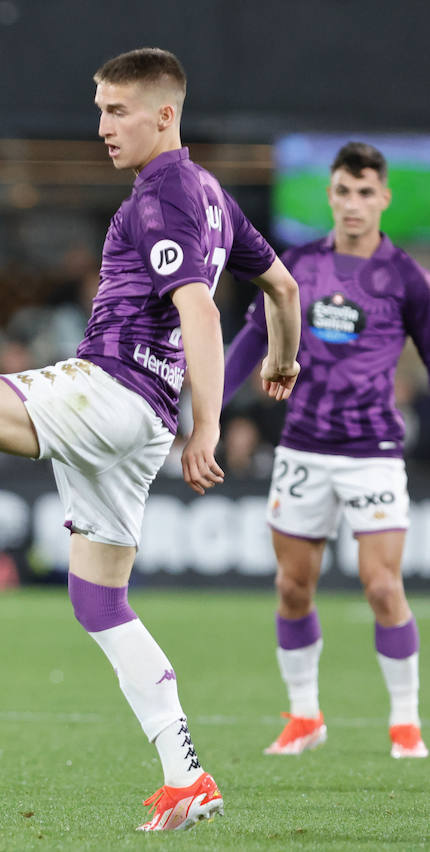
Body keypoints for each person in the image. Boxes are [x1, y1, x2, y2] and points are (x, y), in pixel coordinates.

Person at [0, 48, 304, 831]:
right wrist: (283, 356)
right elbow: (283, 286)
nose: (102, 126)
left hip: (113, 389)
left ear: (165, 114)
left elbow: (200, 311)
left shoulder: (165, 195)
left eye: (118, 111)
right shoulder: (213, 197)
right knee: (99, 601)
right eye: (99, 108)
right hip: (142, 420)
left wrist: (209, 424)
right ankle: (187, 777)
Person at [224, 140, 429, 760]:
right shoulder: (298, 266)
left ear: (384, 198)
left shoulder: (405, 277)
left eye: (366, 193)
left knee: (383, 588)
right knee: (293, 587)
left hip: (372, 450)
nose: (354, 204)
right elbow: (253, 337)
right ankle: (305, 716)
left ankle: (404, 721)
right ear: (331, 195)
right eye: (343, 191)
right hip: (303, 447)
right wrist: (212, 414)